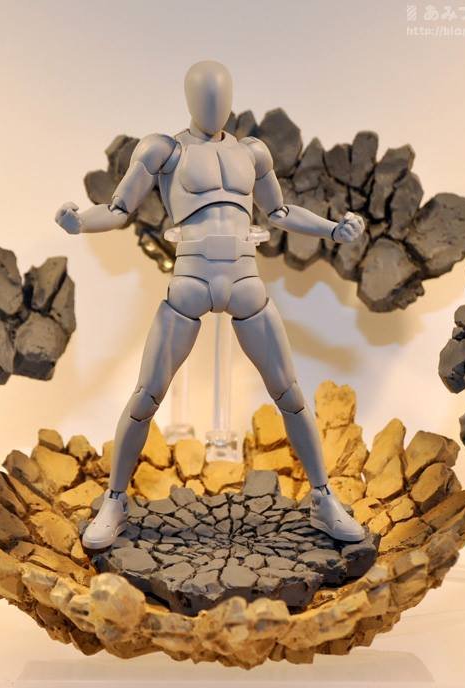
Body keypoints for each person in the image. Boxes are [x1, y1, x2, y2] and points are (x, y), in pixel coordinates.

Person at [56, 60, 367, 549]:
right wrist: (80, 222)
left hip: (245, 279)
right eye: (204, 95)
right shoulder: (163, 149)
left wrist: (332, 229)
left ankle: (323, 498)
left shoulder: (252, 152)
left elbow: (280, 211)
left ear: (230, 98)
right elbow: (118, 209)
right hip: (190, 280)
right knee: (147, 395)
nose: (213, 105)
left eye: (220, 96)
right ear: (188, 99)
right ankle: (114, 500)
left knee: (289, 392)